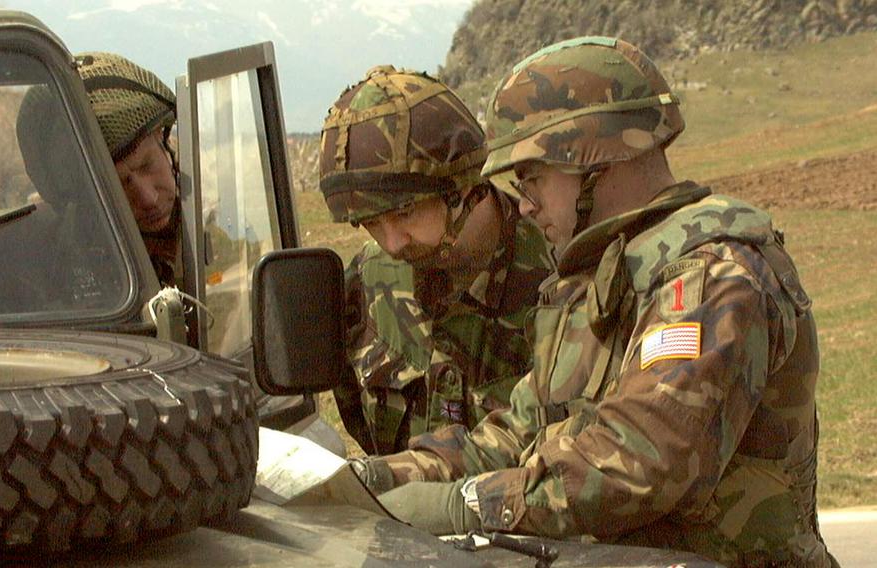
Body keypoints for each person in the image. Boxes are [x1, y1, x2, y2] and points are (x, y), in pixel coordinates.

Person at [358, 38, 837, 567]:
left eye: (534, 177)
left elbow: (634, 466)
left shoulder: (713, 275)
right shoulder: (598, 277)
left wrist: (464, 504)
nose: (524, 203)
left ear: (594, 160)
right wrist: (374, 479)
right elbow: (516, 432)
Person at [320, 65, 554, 454]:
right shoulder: (368, 284)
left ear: (464, 189)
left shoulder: (559, 278)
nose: (392, 243)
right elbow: (356, 415)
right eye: (371, 222)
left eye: (406, 212)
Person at [76, 52, 181, 285]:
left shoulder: (211, 221)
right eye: (120, 185)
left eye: (147, 165)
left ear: (164, 144)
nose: (148, 199)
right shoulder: (60, 253)